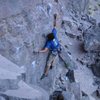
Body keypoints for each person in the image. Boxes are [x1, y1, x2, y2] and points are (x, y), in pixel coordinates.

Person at [39, 14, 61, 80]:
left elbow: (45, 50)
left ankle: (45, 74)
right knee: (54, 57)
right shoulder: (54, 34)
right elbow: (55, 26)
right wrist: (55, 19)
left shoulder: (49, 42)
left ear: (49, 38)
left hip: (54, 51)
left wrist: (38, 51)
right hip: (58, 48)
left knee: (48, 63)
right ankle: (53, 64)